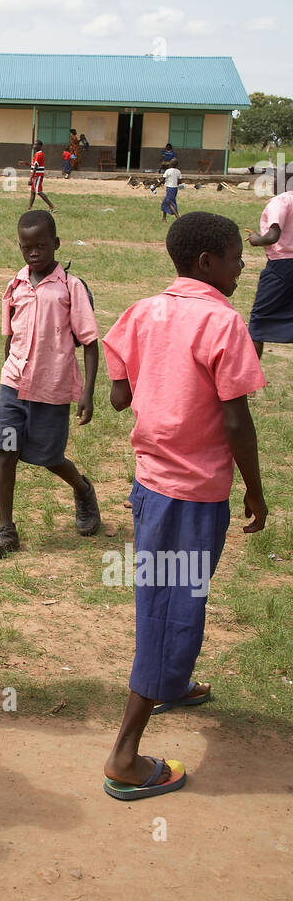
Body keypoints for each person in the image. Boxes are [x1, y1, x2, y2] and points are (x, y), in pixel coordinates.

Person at [101, 212, 267, 800]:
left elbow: (119, 390)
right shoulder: (223, 323)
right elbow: (234, 417)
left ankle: (171, 682)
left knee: (168, 600)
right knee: (172, 611)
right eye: (233, 255)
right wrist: (255, 485)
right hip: (192, 495)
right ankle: (124, 755)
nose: (243, 264)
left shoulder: (145, 310)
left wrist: (140, 387)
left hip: (151, 487)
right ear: (207, 263)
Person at [0, 211, 100, 558]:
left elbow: (89, 342)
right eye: (26, 246)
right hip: (14, 386)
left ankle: (82, 488)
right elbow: (11, 336)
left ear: (56, 244)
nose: (34, 252)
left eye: (41, 245)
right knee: (7, 451)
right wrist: (7, 374)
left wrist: (87, 392)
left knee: (48, 456)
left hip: (52, 389)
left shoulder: (70, 287)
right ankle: (6, 529)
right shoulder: (14, 286)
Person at [246, 176, 293, 359]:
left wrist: (256, 239)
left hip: (281, 266)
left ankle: (249, 380)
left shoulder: (280, 201)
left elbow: (273, 236)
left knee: (258, 322)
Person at [27, 139, 55, 212]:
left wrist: (31, 178)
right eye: (34, 144)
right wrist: (26, 163)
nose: (34, 146)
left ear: (40, 146)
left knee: (38, 191)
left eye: (36, 145)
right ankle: (29, 208)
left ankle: (51, 206)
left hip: (37, 176)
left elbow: (36, 167)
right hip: (36, 175)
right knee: (33, 192)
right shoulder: (38, 154)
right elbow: (34, 165)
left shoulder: (38, 154)